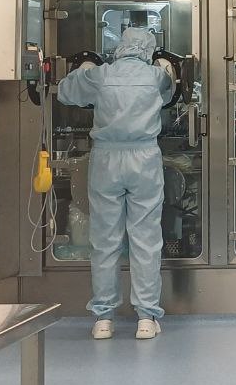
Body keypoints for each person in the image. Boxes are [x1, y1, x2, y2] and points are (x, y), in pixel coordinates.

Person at [58, 27, 174, 341]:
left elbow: (66, 93)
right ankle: (146, 318)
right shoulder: (155, 76)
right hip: (144, 159)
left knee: (105, 241)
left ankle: (103, 319)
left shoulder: (101, 75)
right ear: (147, 49)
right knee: (146, 239)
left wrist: (83, 70)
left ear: (120, 47)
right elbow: (170, 92)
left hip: (106, 161)